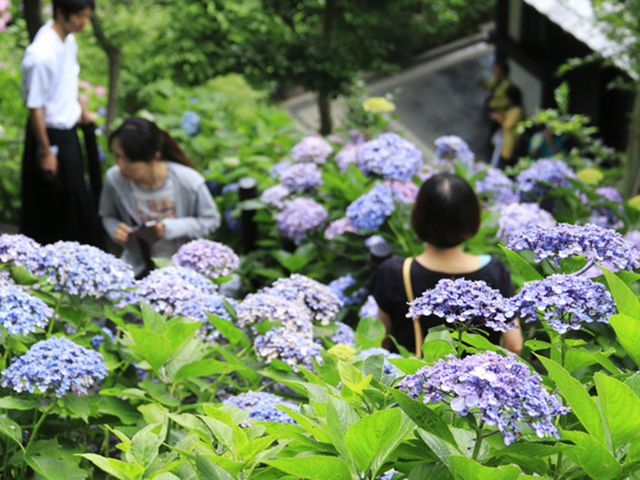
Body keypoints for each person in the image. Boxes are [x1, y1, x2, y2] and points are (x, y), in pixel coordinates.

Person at [366, 173, 523, 355]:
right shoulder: (495, 272)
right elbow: (514, 345)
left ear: (417, 217)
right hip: (475, 380)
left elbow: (382, 341)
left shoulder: (394, 272)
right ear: (473, 220)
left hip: (411, 379)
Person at [20, 0, 103, 247]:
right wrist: (45, 151)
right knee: (53, 206)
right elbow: (35, 106)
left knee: (75, 203)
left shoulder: (67, 40)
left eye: (87, 17)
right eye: (80, 17)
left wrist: (83, 111)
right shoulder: (41, 54)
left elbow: (70, 79)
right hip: (49, 136)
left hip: (68, 132)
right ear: (60, 13)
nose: (83, 23)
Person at [99, 117, 221, 278]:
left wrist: (167, 229)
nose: (121, 166)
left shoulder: (188, 181)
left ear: (154, 156)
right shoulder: (114, 179)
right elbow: (107, 215)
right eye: (117, 156)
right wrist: (115, 228)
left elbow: (211, 220)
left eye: (129, 160)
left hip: (186, 270)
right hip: (137, 268)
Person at [490, 85, 525, 168]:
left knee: (502, 165)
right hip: (503, 141)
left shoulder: (517, 111)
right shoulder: (512, 108)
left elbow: (508, 125)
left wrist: (498, 118)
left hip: (509, 143)